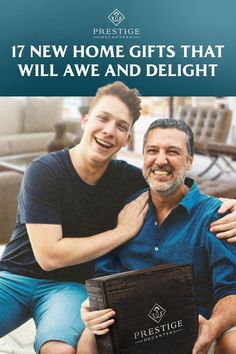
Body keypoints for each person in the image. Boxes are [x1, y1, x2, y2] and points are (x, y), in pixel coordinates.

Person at [0, 83, 235, 354]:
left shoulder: (131, 181)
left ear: (126, 140)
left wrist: (229, 207)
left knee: (63, 349)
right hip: (17, 275)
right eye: (102, 118)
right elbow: (49, 256)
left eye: (121, 126)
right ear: (85, 120)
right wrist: (122, 232)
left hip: (69, 288)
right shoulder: (46, 171)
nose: (109, 130)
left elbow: (175, 187)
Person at [81, 119, 236, 354]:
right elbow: (106, 276)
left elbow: (230, 290)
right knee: (88, 340)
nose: (160, 160)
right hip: (133, 322)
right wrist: (94, 307)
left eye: (172, 152)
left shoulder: (216, 217)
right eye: (152, 151)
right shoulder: (128, 210)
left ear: (190, 160)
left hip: (192, 328)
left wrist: (212, 327)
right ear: (143, 157)